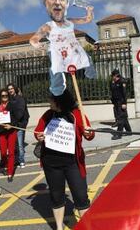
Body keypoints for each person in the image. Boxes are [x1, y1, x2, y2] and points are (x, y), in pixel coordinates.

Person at [34, 90, 95, 230]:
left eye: (51, 100)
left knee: (81, 197)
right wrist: (39, 136)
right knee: (56, 197)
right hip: (51, 164)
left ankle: (87, 227)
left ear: (59, 101)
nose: (49, 102)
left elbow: (90, 135)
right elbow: (38, 130)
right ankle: (59, 227)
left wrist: (88, 132)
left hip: (73, 163)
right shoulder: (48, 115)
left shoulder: (76, 114)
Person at [29, 0, 95, 96]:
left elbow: (86, 20)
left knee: (87, 58)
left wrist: (89, 11)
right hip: (58, 52)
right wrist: (36, 44)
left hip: (73, 49)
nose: (57, 2)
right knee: (55, 70)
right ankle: (57, 90)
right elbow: (34, 38)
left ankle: (91, 75)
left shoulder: (69, 22)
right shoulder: (48, 26)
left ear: (67, 3)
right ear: (45, 1)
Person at [0, 89, 19, 182]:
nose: (4, 97)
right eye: (2, 96)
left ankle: (10, 173)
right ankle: (5, 166)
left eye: (6, 96)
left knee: (11, 152)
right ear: (0, 97)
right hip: (2, 131)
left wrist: (11, 125)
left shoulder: (12, 104)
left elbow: (17, 117)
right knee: (3, 153)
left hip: (11, 130)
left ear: (8, 96)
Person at [7, 83, 30, 168]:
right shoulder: (9, 100)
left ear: (15, 89)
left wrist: (13, 123)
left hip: (19, 124)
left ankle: (21, 161)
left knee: (20, 144)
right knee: (15, 144)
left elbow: (20, 113)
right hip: (12, 125)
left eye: (11, 88)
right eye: (9, 89)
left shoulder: (20, 99)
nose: (10, 90)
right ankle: (16, 160)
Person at [110, 69, 131, 140]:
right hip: (116, 103)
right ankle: (128, 131)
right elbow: (113, 92)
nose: (112, 77)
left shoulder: (122, 81)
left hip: (121, 102)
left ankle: (119, 134)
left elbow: (124, 94)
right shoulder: (114, 82)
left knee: (120, 118)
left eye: (112, 76)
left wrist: (124, 103)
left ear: (115, 75)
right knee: (123, 117)